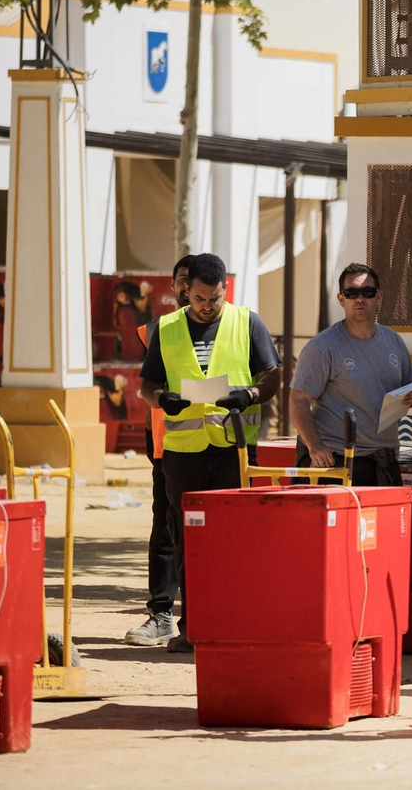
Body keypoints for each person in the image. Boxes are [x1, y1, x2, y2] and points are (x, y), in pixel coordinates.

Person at [139, 253, 280, 654]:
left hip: (234, 450)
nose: (206, 305)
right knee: (188, 541)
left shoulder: (247, 322)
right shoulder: (167, 328)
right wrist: (162, 398)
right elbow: (147, 384)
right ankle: (194, 626)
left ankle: (236, 623)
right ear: (186, 290)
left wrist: (249, 394)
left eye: (214, 298)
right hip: (184, 455)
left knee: (235, 540)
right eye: (199, 298)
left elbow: (272, 377)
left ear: (225, 289)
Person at [289, 262, 412, 486]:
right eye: (351, 293)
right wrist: (315, 445)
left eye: (367, 292)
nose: (359, 299)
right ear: (341, 299)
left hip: (383, 461)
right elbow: (298, 400)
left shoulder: (393, 340)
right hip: (334, 460)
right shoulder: (322, 347)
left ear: (379, 296)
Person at [124, 254, 194, 647]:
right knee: (165, 527)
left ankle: (201, 617)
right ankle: (162, 613)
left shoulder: (231, 327)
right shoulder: (156, 330)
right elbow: (148, 383)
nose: (187, 287)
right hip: (167, 441)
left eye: (194, 280)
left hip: (217, 443)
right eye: (182, 279)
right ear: (173, 285)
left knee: (204, 532)